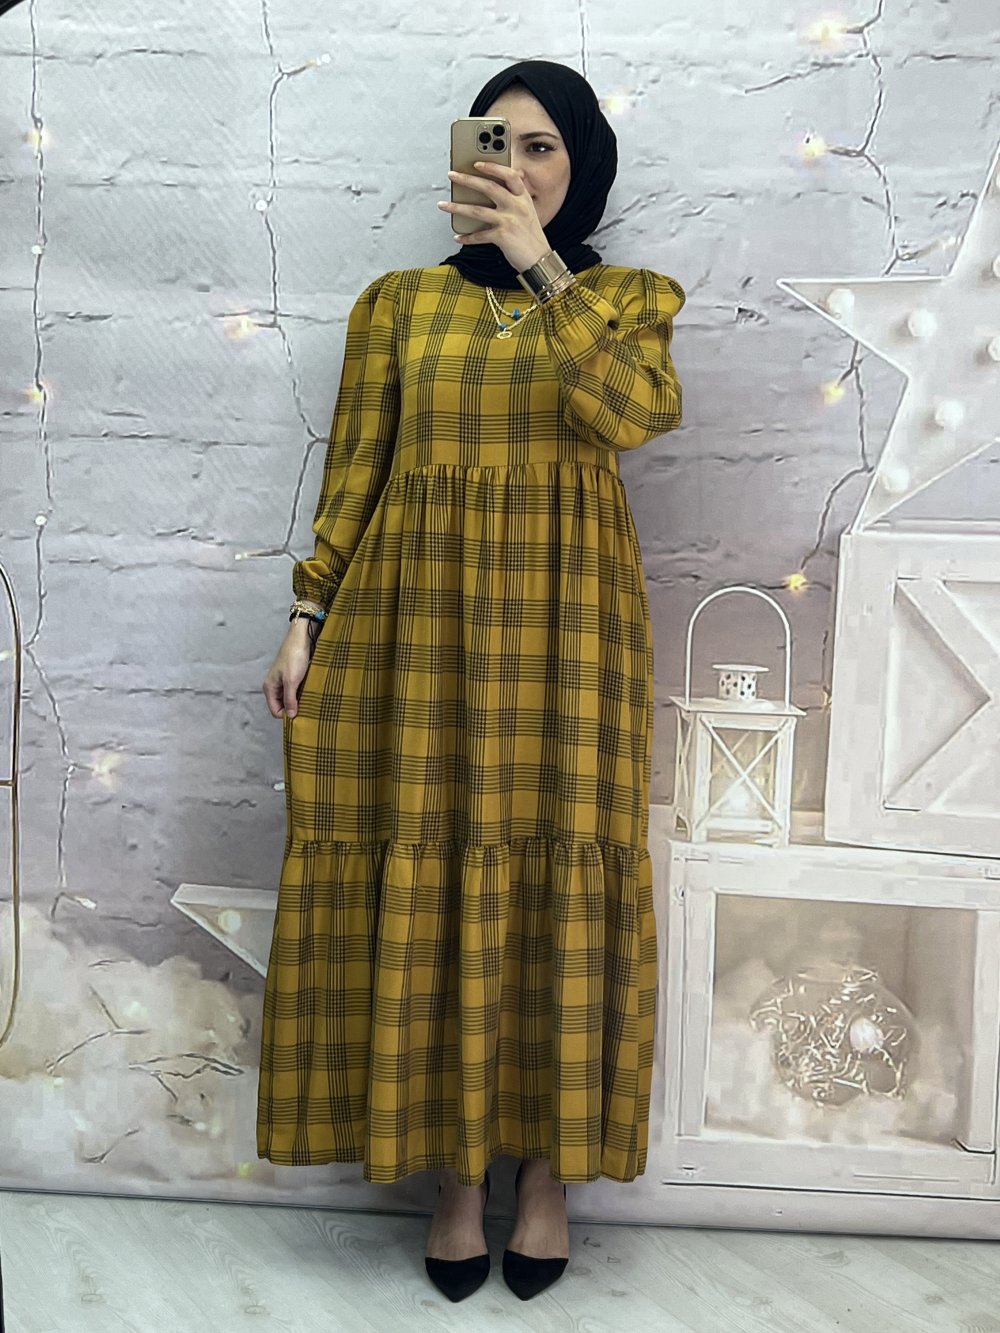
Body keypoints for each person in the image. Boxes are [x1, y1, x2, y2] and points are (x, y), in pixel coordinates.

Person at [257, 58, 685, 1304]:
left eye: (544, 146)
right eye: (499, 142)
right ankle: (454, 1178)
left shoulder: (628, 301)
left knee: (560, 880)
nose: (520, 165)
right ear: (464, 155)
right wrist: (306, 613)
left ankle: (546, 1176)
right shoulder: (398, 306)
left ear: (583, 165)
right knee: (434, 869)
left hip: (571, 637)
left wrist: (543, 266)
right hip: (415, 632)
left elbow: (635, 414)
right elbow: (357, 469)